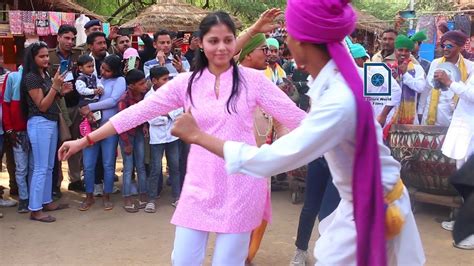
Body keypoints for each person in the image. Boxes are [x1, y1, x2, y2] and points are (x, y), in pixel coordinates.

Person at [169, 1, 426, 265]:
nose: (283, 42)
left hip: (373, 211)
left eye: (288, 33)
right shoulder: (332, 85)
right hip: (359, 206)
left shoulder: (338, 100)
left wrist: (198, 136)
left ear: (302, 43)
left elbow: (270, 159)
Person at [59, 10, 305, 265]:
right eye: (213, 41)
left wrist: (343, 136)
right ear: (201, 43)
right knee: (184, 261)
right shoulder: (186, 83)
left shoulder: (254, 82)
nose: (221, 48)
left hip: (240, 187)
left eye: (228, 40)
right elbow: (135, 113)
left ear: (235, 43)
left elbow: (298, 119)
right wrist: (85, 140)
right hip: (199, 187)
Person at [21, 42, 72, 222]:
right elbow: (42, 106)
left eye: (46, 55)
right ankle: (35, 209)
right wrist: (55, 87)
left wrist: (60, 92)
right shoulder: (31, 77)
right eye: (41, 56)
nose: (45, 59)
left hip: (49, 122)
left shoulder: (44, 74)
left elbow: (49, 100)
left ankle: (46, 201)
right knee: (41, 168)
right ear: (33, 58)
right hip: (40, 123)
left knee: (49, 166)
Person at [77, 55, 126, 211]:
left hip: (109, 128)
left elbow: (113, 101)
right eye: (102, 68)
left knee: (108, 164)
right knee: (88, 164)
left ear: (116, 70)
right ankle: (89, 195)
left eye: (107, 70)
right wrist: (85, 110)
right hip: (91, 127)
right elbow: (83, 97)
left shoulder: (120, 81)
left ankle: (107, 195)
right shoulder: (96, 79)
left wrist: (90, 108)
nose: (103, 72)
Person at [146, 66, 182, 209]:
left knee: (175, 167)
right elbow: (151, 119)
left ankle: (177, 197)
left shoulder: (172, 93)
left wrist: (166, 114)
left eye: (168, 78)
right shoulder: (149, 97)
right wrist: (169, 116)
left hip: (172, 136)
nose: (168, 82)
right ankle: (152, 199)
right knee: (155, 168)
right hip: (157, 139)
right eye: (164, 79)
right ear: (154, 81)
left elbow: (180, 110)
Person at [422, 30, 474, 127]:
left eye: (450, 46)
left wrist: (449, 82)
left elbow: (468, 94)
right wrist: (420, 111)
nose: (445, 48)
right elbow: (427, 88)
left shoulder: (470, 67)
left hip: (455, 120)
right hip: (431, 117)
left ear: (461, 47)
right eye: (443, 45)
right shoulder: (435, 63)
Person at [3, 65, 33, 213]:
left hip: (35, 130)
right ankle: (24, 198)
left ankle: (34, 197)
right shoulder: (13, 77)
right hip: (18, 132)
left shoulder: (40, 75)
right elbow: (6, 102)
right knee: (21, 168)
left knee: (35, 167)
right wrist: (9, 128)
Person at [118, 69, 148, 213]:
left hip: (139, 133)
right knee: (128, 166)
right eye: (141, 84)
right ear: (131, 86)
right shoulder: (124, 100)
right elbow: (121, 123)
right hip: (127, 135)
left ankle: (143, 194)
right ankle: (127, 197)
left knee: (141, 165)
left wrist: (145, 127)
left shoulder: (144, 96)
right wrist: (126, 143)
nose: (145, 86)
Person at [390, 35, 426, 125]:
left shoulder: (417, 68)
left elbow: (420, 88)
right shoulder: (388, 67)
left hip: (410, 121)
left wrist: (405, 74)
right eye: (400, 50)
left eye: (406, 51)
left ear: (410, 52)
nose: (403, 53)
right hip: (390, 117)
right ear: (395, 51)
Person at [75, 55, 104, 136]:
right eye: (89, 66)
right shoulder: (81, 79)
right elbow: (81, 90)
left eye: (93, 66)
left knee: (96, 118)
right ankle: (86, 133)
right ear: (81, 68)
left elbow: (99, 82)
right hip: (86, 102)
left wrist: (100, 88)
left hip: (94, 102)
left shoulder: (93, 76)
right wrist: (93, 91)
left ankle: (95, 131)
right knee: (88, 118)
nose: (92, 68)